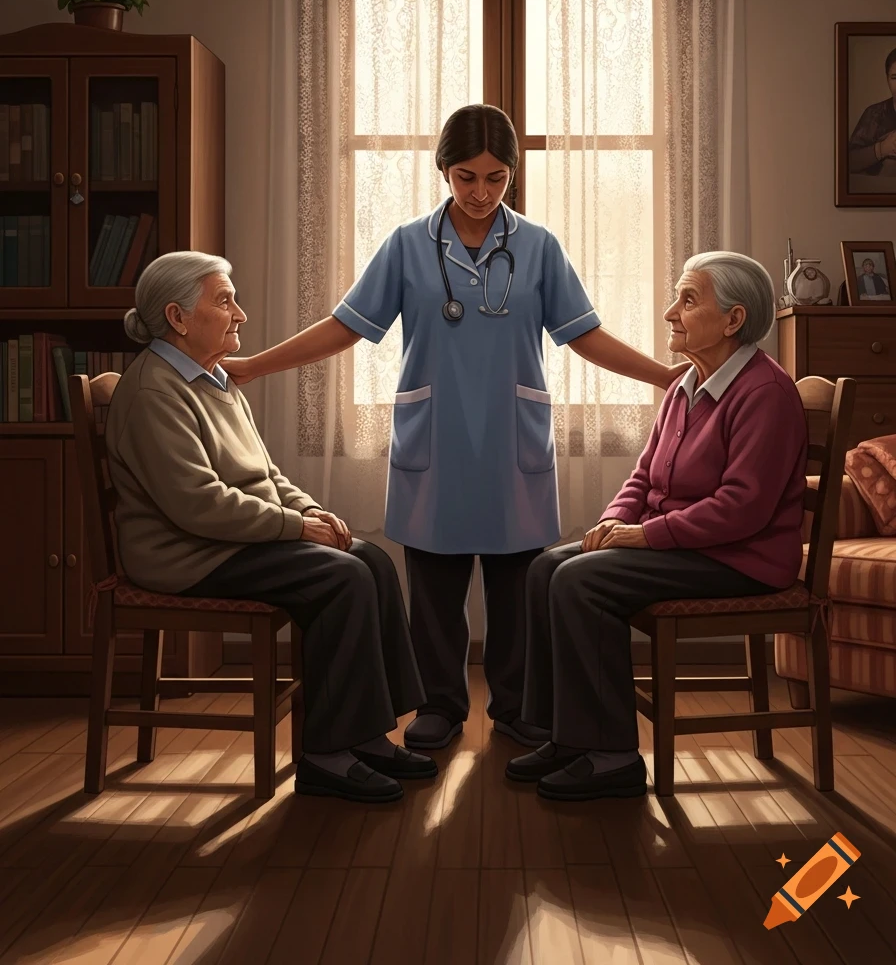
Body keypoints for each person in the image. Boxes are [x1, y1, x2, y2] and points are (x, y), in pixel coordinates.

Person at [223, 104, 686, 754]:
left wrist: (666, 377)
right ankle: (439, 704)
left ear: (512, 177)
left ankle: (519, 706)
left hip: (511, 438)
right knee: (434, 588)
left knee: (519, 588)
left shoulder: (540, 247)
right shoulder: (408, 244)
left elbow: (584, 335)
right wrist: (252, 366)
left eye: (496, 179)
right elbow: (347, 326)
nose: (480, 193)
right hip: (436, 437)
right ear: (443, 170)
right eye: (466, 177)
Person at [105, 251, 434, 804]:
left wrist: (309, 512)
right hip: (186, 552)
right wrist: (294, 528)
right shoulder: (154, 392)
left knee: (369, 559)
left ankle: (367, 736)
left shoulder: (214, 379)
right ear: (178, 317)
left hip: (224, 538)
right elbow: (198, 505)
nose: (241, 315)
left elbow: (265, 473)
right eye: (225, 301)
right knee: (341, 578)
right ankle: (327, 755)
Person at [506, 251, 808, 801]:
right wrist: (614, 522)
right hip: (689, 547)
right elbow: (644, 476)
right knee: (547, 565)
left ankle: (611, 757)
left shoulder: (765, 393)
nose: (671, 312)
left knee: (581, 581)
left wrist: (643, 535)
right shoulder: (684, 386)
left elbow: (742, 508)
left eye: (688, 300)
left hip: (741, 558)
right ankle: (566, 736)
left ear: (733, 320)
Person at [847, 47, 896, 176]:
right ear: (887, 79)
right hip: (877, 191)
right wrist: (882, 149)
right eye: (894, 77)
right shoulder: (874, 114)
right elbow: (848, 161)